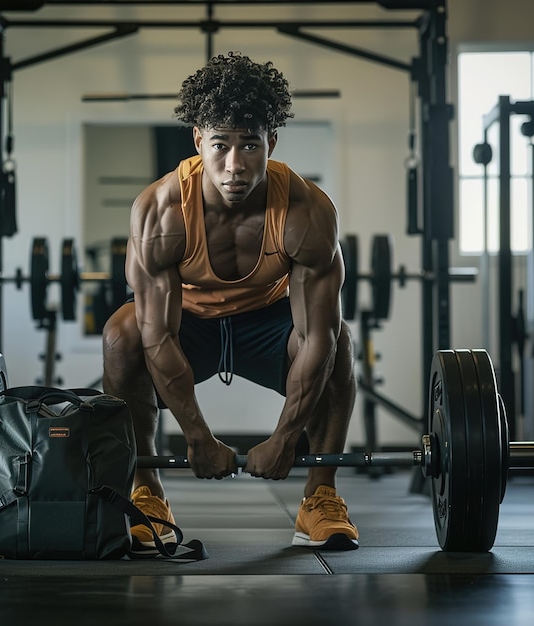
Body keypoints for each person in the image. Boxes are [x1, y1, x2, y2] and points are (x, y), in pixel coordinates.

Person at [102, 51, 359, 552]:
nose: (235, 165)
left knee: (340, 344)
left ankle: (320, 497)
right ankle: (147, 492)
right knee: (123, 334)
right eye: (220, 145)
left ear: (272, 143)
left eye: (250, 145)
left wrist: (286, 439)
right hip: (187, 324)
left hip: (268, 324)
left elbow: (317, 336)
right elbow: (157, 334)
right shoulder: (161, 210)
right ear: (199, 140)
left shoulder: (307, 211)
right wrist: (196, 434)